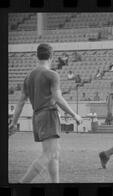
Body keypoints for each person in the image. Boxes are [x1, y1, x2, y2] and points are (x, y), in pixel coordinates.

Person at [8, 43, 82, 183]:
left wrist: (14, 122)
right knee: (50, 153)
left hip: (37, 116)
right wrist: (74, 115)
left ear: (37, 56)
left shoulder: (28, 76)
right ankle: (22, 183)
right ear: (52, 57)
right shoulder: (52, 74)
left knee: (54, 154)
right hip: (48, 114)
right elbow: (58, 98)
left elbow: (21, 102)